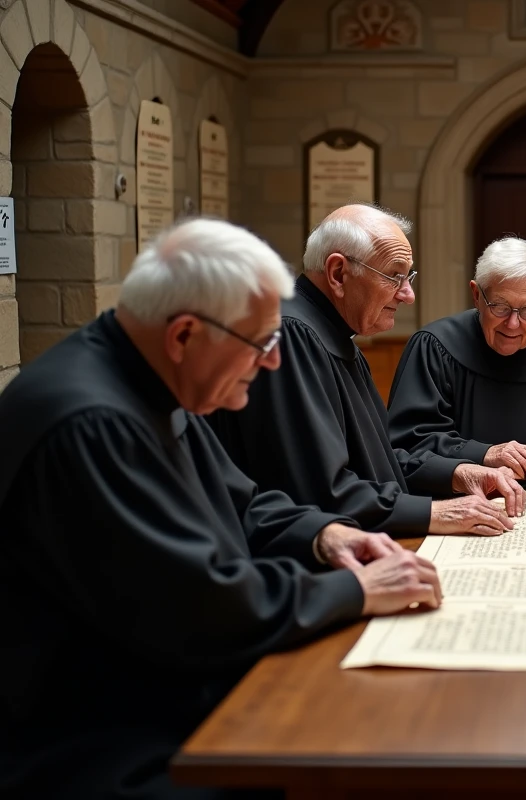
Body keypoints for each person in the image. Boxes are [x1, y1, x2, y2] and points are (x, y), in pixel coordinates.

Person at [0, 219, 443, 800]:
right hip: (102, 740)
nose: (272, 364)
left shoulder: (151, 378)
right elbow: (199, 604)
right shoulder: (94, 421)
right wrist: (357, 591)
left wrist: (324, 535)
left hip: (167, 689)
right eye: (260, 344)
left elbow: (246, 501)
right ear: (185, 335)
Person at [210, 205, 526, 539]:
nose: (407, 294)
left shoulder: (335, 335)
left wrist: (458, 473)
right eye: (394, 276)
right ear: (337, 274)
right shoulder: (293, 336)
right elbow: (320, 492)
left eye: (409, 277)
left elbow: (375, 461)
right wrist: (433, 512)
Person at [388, 237, 526, 489]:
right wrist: (484, 454)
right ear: (476, 295)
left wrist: (506, 476)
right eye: (500, 307)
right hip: (450, 499)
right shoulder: (433, 348)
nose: (513, 324)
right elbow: (409, 442)